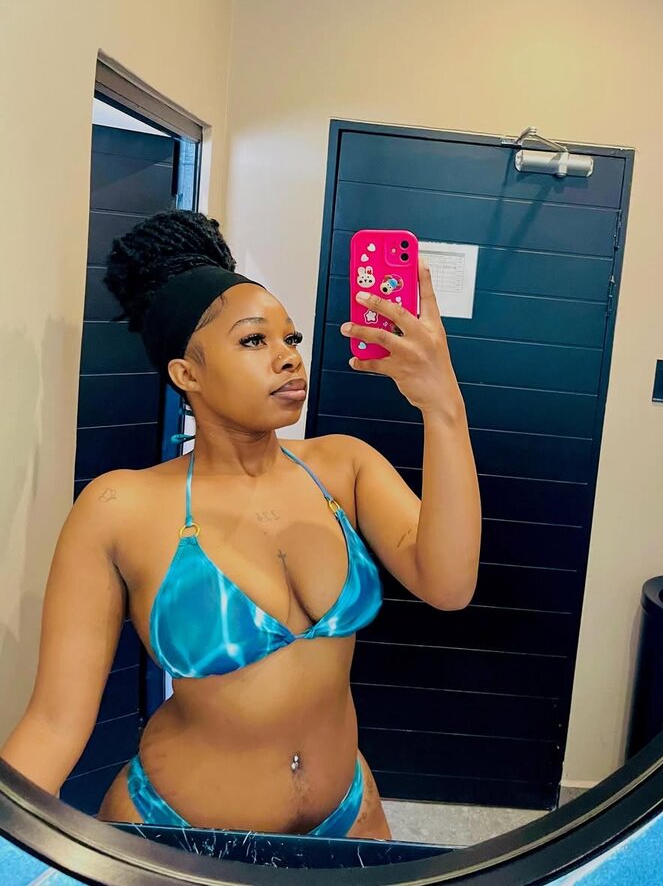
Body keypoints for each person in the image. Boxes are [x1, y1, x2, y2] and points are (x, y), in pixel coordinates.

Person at [0, 210, 481, 839]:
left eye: (291, 339)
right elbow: (54, 725)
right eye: (255, 341)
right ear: (187, 374)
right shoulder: (120, 507)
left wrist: (442, 404)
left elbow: (450, 585)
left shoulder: (344, 467)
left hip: (348, 816)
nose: (288, 359)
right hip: (178, 838)